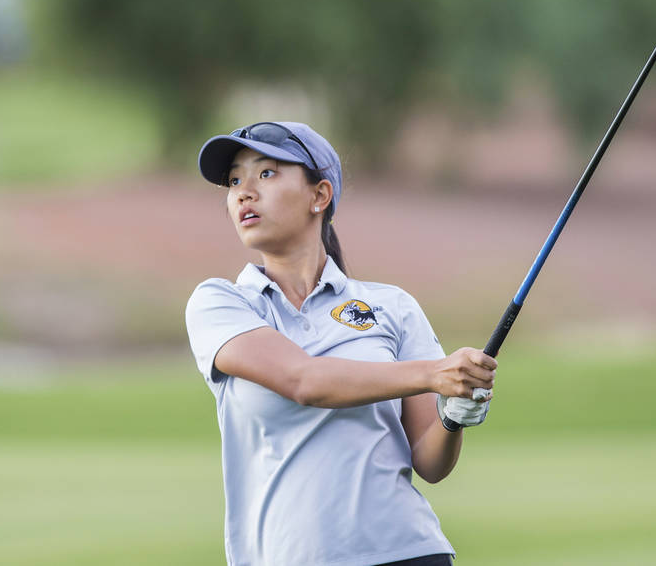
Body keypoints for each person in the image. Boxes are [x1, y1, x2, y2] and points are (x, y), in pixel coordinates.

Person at [186, 121, 498, 566]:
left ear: (320, 195)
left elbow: (430, 462)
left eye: (266, 173)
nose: (243, 192)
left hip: (408, 552)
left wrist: (454, 417)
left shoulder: (391, 306)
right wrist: (435, 374)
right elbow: (304, 381)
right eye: (235, 180)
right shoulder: (220, 303)